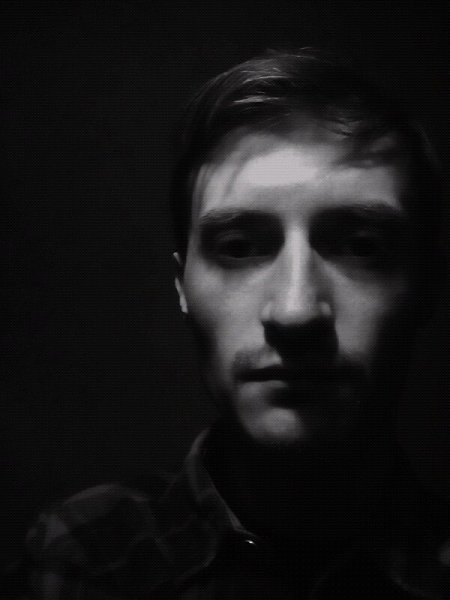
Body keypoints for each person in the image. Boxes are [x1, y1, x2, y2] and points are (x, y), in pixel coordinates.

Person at [5, 48, 449, 599]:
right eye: (238, 247)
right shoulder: (84, 559)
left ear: (428, 286)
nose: (295, 311)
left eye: (361, 246)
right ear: (182, 286)